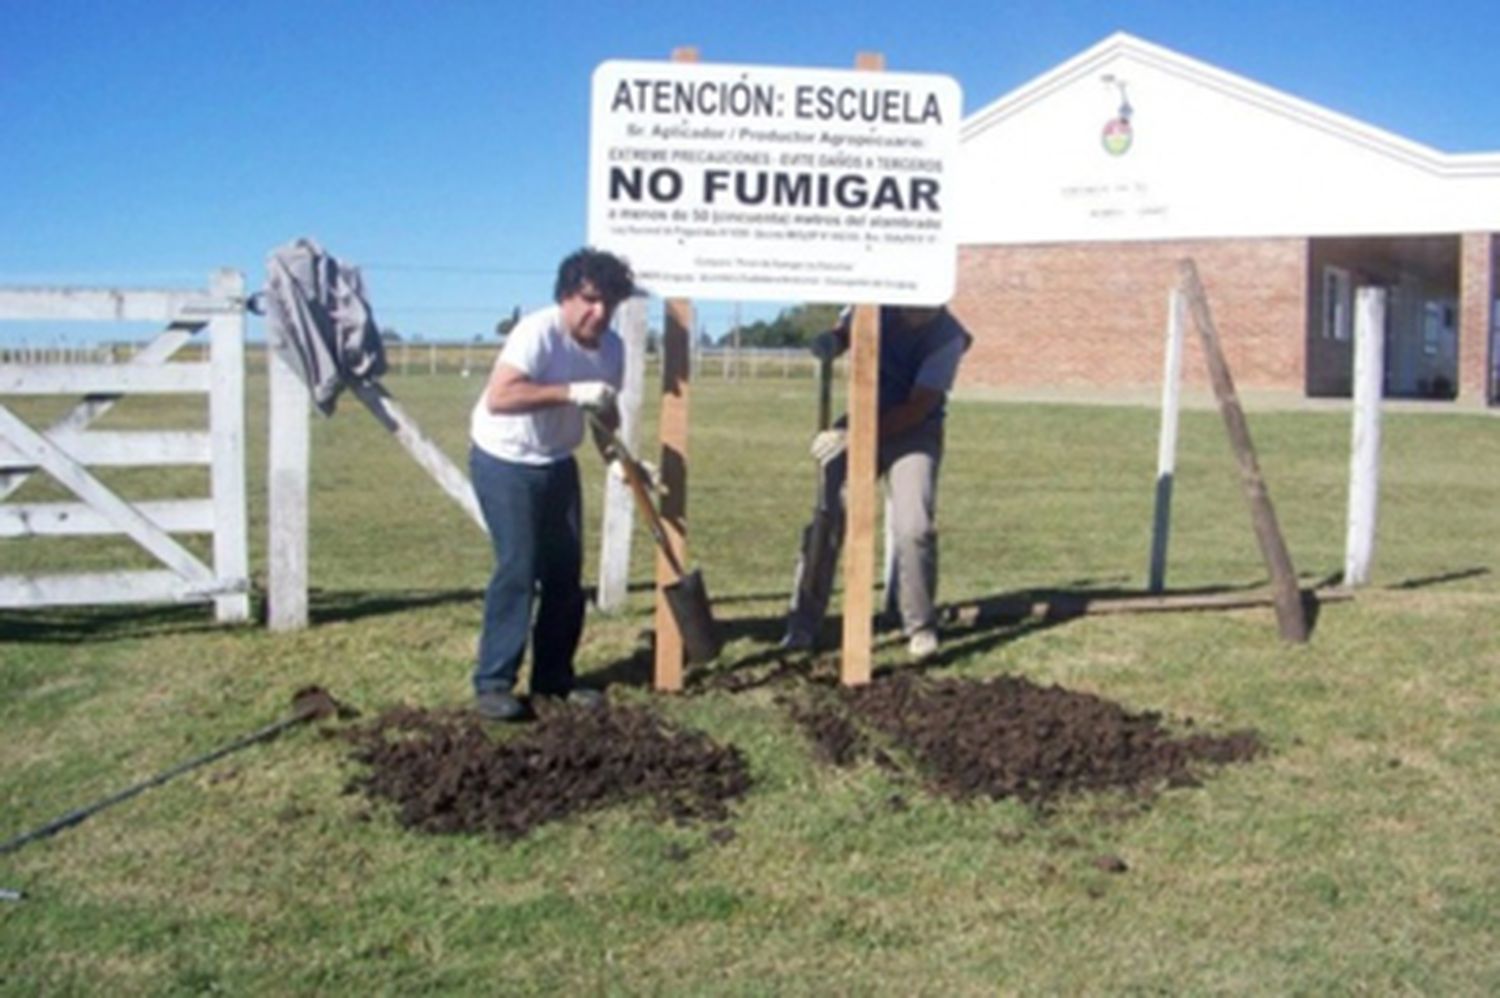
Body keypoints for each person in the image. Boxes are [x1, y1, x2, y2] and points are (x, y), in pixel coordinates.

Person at [468, 248, 636, 721]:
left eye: (610, 304)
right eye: (589, 299)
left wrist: (616, 460)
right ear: (566, 296)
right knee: (518, 568)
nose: (599, 313)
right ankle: (493, 683)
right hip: (504, 459)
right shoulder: (538, 332)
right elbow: (500, 397)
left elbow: (605, 411)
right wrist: (568, 392)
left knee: (565, 577)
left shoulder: (612, 349)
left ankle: (554, 680)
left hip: (557, 461)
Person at [782, 304, 971, 662]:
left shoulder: (948, 337)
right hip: (860, 417)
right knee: (829, 515)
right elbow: (845, 328)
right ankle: (802, 622)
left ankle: (919, 626)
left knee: (914, 526)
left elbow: (918, 406)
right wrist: (833, 341)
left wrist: (856, 436)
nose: (912, 313)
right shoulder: (875, 306)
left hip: (915, 432)